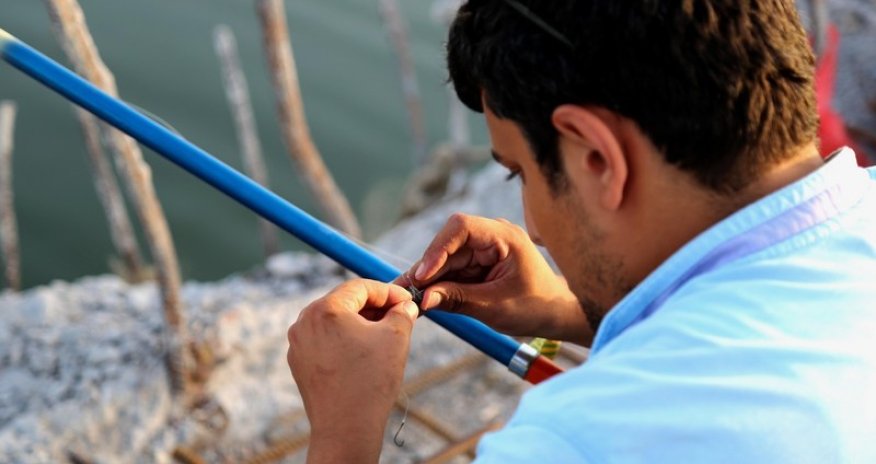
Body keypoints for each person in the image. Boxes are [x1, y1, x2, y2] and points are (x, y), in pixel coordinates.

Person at [286, 0, 876, 462]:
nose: (535, 229)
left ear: (596, 156)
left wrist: (343, 436)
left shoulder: (583, 440)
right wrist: (571, 312)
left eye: (519, 172)